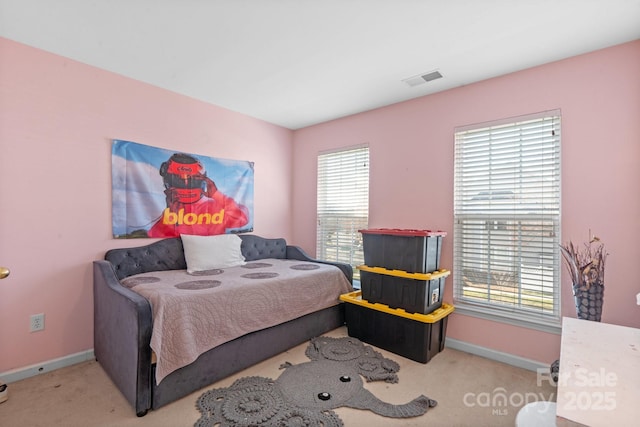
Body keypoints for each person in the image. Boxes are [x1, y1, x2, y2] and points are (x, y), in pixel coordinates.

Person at [147, 153, 249, 237]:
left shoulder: (215, 207)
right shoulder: (171, 209)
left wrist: (217, 195)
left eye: (192, 180)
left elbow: (242, 219)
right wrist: (170, 215)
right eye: (179, 180)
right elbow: (154, 236)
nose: (186, 185)